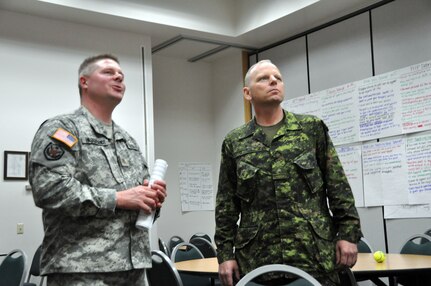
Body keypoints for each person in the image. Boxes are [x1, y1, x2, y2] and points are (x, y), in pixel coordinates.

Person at [215, 59, 362, 286]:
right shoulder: (235, 142)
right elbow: (226, 205)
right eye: (263, 78)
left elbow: (338, 186)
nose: (273, 80)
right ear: (247, 93)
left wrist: (348, 235)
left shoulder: (311, 129)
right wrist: (225, 255)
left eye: (278, 78)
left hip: (313, 256)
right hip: (258, 259)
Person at [29, 54, 167, 286]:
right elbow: (48, 189)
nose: (118, 77)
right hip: (82, 270)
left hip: (134, 270)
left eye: (121, 75)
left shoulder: (127, 141)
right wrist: (118, 199)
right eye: (108, 72)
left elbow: (138, 201)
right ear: (84, 82)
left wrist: (151, 199)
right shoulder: (63, 129)